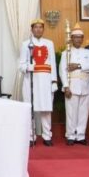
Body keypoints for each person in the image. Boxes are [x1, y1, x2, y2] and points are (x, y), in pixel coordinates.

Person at [19, 18, 58, 147]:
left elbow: (52, 62)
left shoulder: (49, 43)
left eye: (40, 27)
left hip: (46, 80)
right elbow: (21, 65)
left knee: (46, 108)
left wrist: (54, 81)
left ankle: (47, 135)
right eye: (35, 27)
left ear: (43, 29)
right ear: (32, 29)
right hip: (31, 79)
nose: (38, 29)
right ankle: (31, 136)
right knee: (31, 108)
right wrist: (29, 67)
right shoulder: (26, 44)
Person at [59, 24, 89, 146]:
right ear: (71, 38)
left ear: (83, 38)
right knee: (71, 112)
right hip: (72, 85)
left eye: (80, 37)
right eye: (76, 37)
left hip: (85, 85)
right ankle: (70, 135)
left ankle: (80, 136)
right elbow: (62, 70)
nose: (78, 39)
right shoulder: (66, 53)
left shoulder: (88, 52)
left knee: (83, 112)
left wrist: (78, 65)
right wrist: (65, 86)